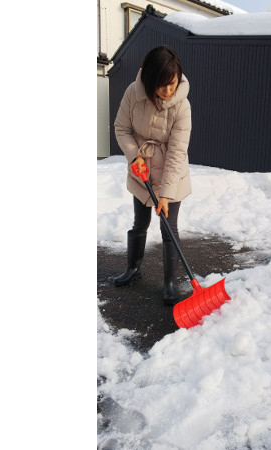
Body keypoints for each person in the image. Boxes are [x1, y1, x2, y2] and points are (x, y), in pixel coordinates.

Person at [113, 46, 192, 306]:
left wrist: (166, 194)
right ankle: (133, 268)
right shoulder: (132, 94)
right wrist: (134, 155)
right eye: (161, 84)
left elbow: (177, 152)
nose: (167, 91)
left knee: (169, 229)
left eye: (172, 83)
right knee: (140, 223)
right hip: (142, 170)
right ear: (149, 80)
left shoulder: (182, 106)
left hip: (172, 173)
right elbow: (121, 128)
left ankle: (170, 283)